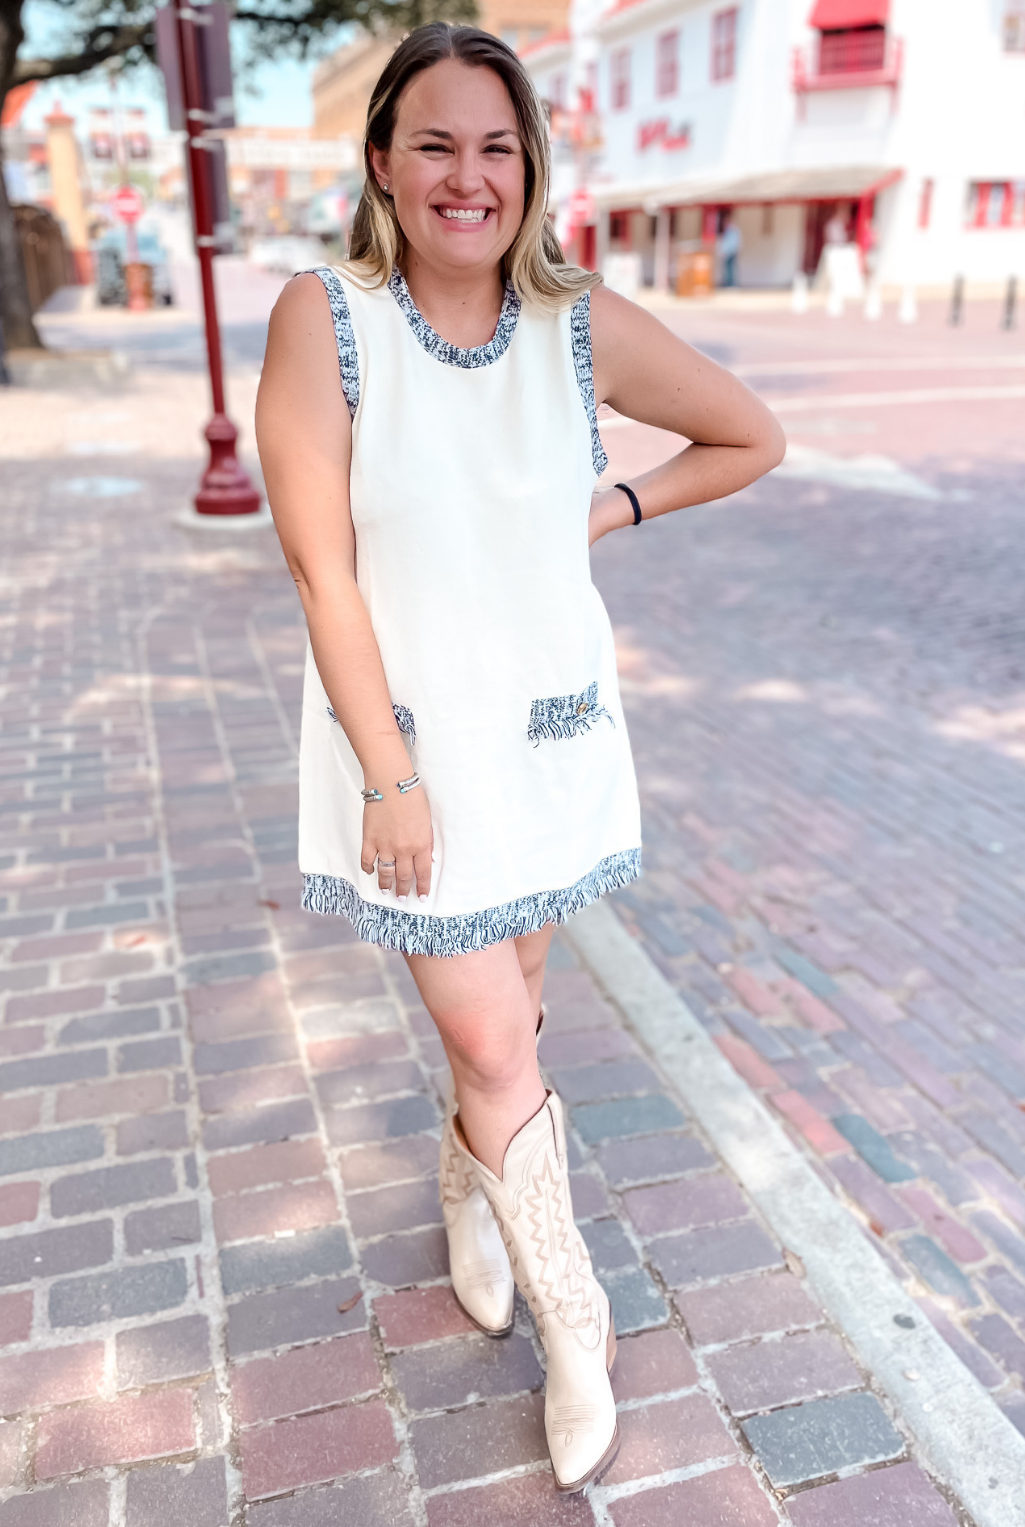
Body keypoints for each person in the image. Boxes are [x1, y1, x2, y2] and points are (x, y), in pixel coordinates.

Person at [256, 22, 784, 1496]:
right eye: (434, 142)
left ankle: (470, 1200)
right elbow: (320, 571)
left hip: (547, 736)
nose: (467, 175)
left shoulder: (575, 323)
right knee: (498, 1041)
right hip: (412, 757)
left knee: (517, 1019)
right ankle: (578, 1318)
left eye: (497, 145)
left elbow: (749, 436)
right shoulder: (326, 317)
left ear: (531, 166)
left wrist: (606, 509)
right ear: (382, 162)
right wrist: (386, 772)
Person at [718, 213, 741, 287]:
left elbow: (732, 243)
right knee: (728, 269)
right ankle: (728, 283)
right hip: (728, 252)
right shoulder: (728, 230)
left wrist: (727, 251)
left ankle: (731, 284)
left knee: (730, 269)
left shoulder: (732, 230)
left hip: (731, 252)